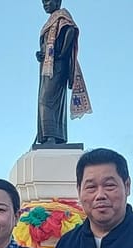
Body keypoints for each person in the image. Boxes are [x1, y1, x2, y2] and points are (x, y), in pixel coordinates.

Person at [35, 0, 91, 145]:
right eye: (43, 2)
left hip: (57, 66)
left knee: (46, 100)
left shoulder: (62, 16)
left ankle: (51, 136)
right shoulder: (51, 22)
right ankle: (50, 136)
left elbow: (71, 31)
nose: (45, 4)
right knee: (46, 99)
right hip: (47, 66)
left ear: (57, 1)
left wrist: (61, 54)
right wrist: (41, 55)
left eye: (48, 1)